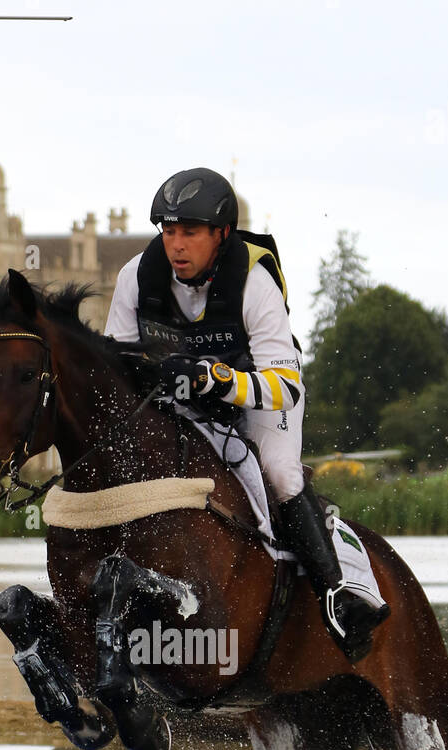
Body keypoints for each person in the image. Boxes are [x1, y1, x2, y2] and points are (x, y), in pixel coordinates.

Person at [104, 167, 389, 662]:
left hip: (261, 391)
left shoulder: (254, 282)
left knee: (278, 473)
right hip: (184, 402)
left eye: (190, 232)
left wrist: (219, 380)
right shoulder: (136, 277)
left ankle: (337, 593)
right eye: (168, 231)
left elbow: (285, 388)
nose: (176, 245)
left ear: (222, 234)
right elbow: (116, 370)